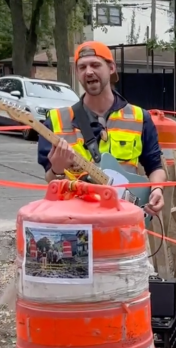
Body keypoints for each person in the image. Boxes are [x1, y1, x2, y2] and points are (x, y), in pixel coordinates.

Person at [37, 41, 166, 218]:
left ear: (111, 67)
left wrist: (157, 189)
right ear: (77, 73)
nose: (88, 71)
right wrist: (57, 170)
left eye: (95, 65)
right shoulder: (56, 121)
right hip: (75, 220)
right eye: (82, 67)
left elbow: (155, 166)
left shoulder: (140, 117)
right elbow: (50, 180)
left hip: (123, 218)